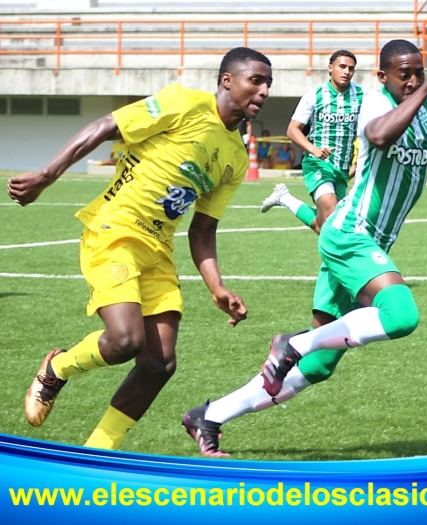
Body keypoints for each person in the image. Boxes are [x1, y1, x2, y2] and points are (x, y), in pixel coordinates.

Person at [181, 40, 427, 457]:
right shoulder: (373, 103)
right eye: (404, 74)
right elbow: (379, 137)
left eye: (418, 71)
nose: (413, 79)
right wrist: (426, 89)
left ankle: (211, 415)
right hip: (350, 233)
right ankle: (294, 343)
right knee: (401, 315)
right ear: (382, 77)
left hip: (362, 243)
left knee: (319, 366)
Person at [7, 47, 273, 450]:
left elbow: (202, 230)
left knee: (159, 363)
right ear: (227, 80)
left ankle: (97, 451)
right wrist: (47, 175)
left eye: (269, 83)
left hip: (158, 248)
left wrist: (218, 288)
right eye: (257, 80)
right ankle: (57, 367)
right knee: (126, 340)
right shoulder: (184, 103)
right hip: (115, 231)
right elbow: (104, 126)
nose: (265, 90)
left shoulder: (235, 157)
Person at [260, 50, 364, 235]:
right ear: (330, 68)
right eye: (342, 67)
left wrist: (359, 163)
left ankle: (284, 198)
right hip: (317, 164)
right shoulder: (314, 95)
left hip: (341, 169)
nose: (347, 71)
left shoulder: (361, 96)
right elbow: (292, 130)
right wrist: (313, 149)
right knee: (331, 212)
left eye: (351, 68)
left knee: (324, 227)